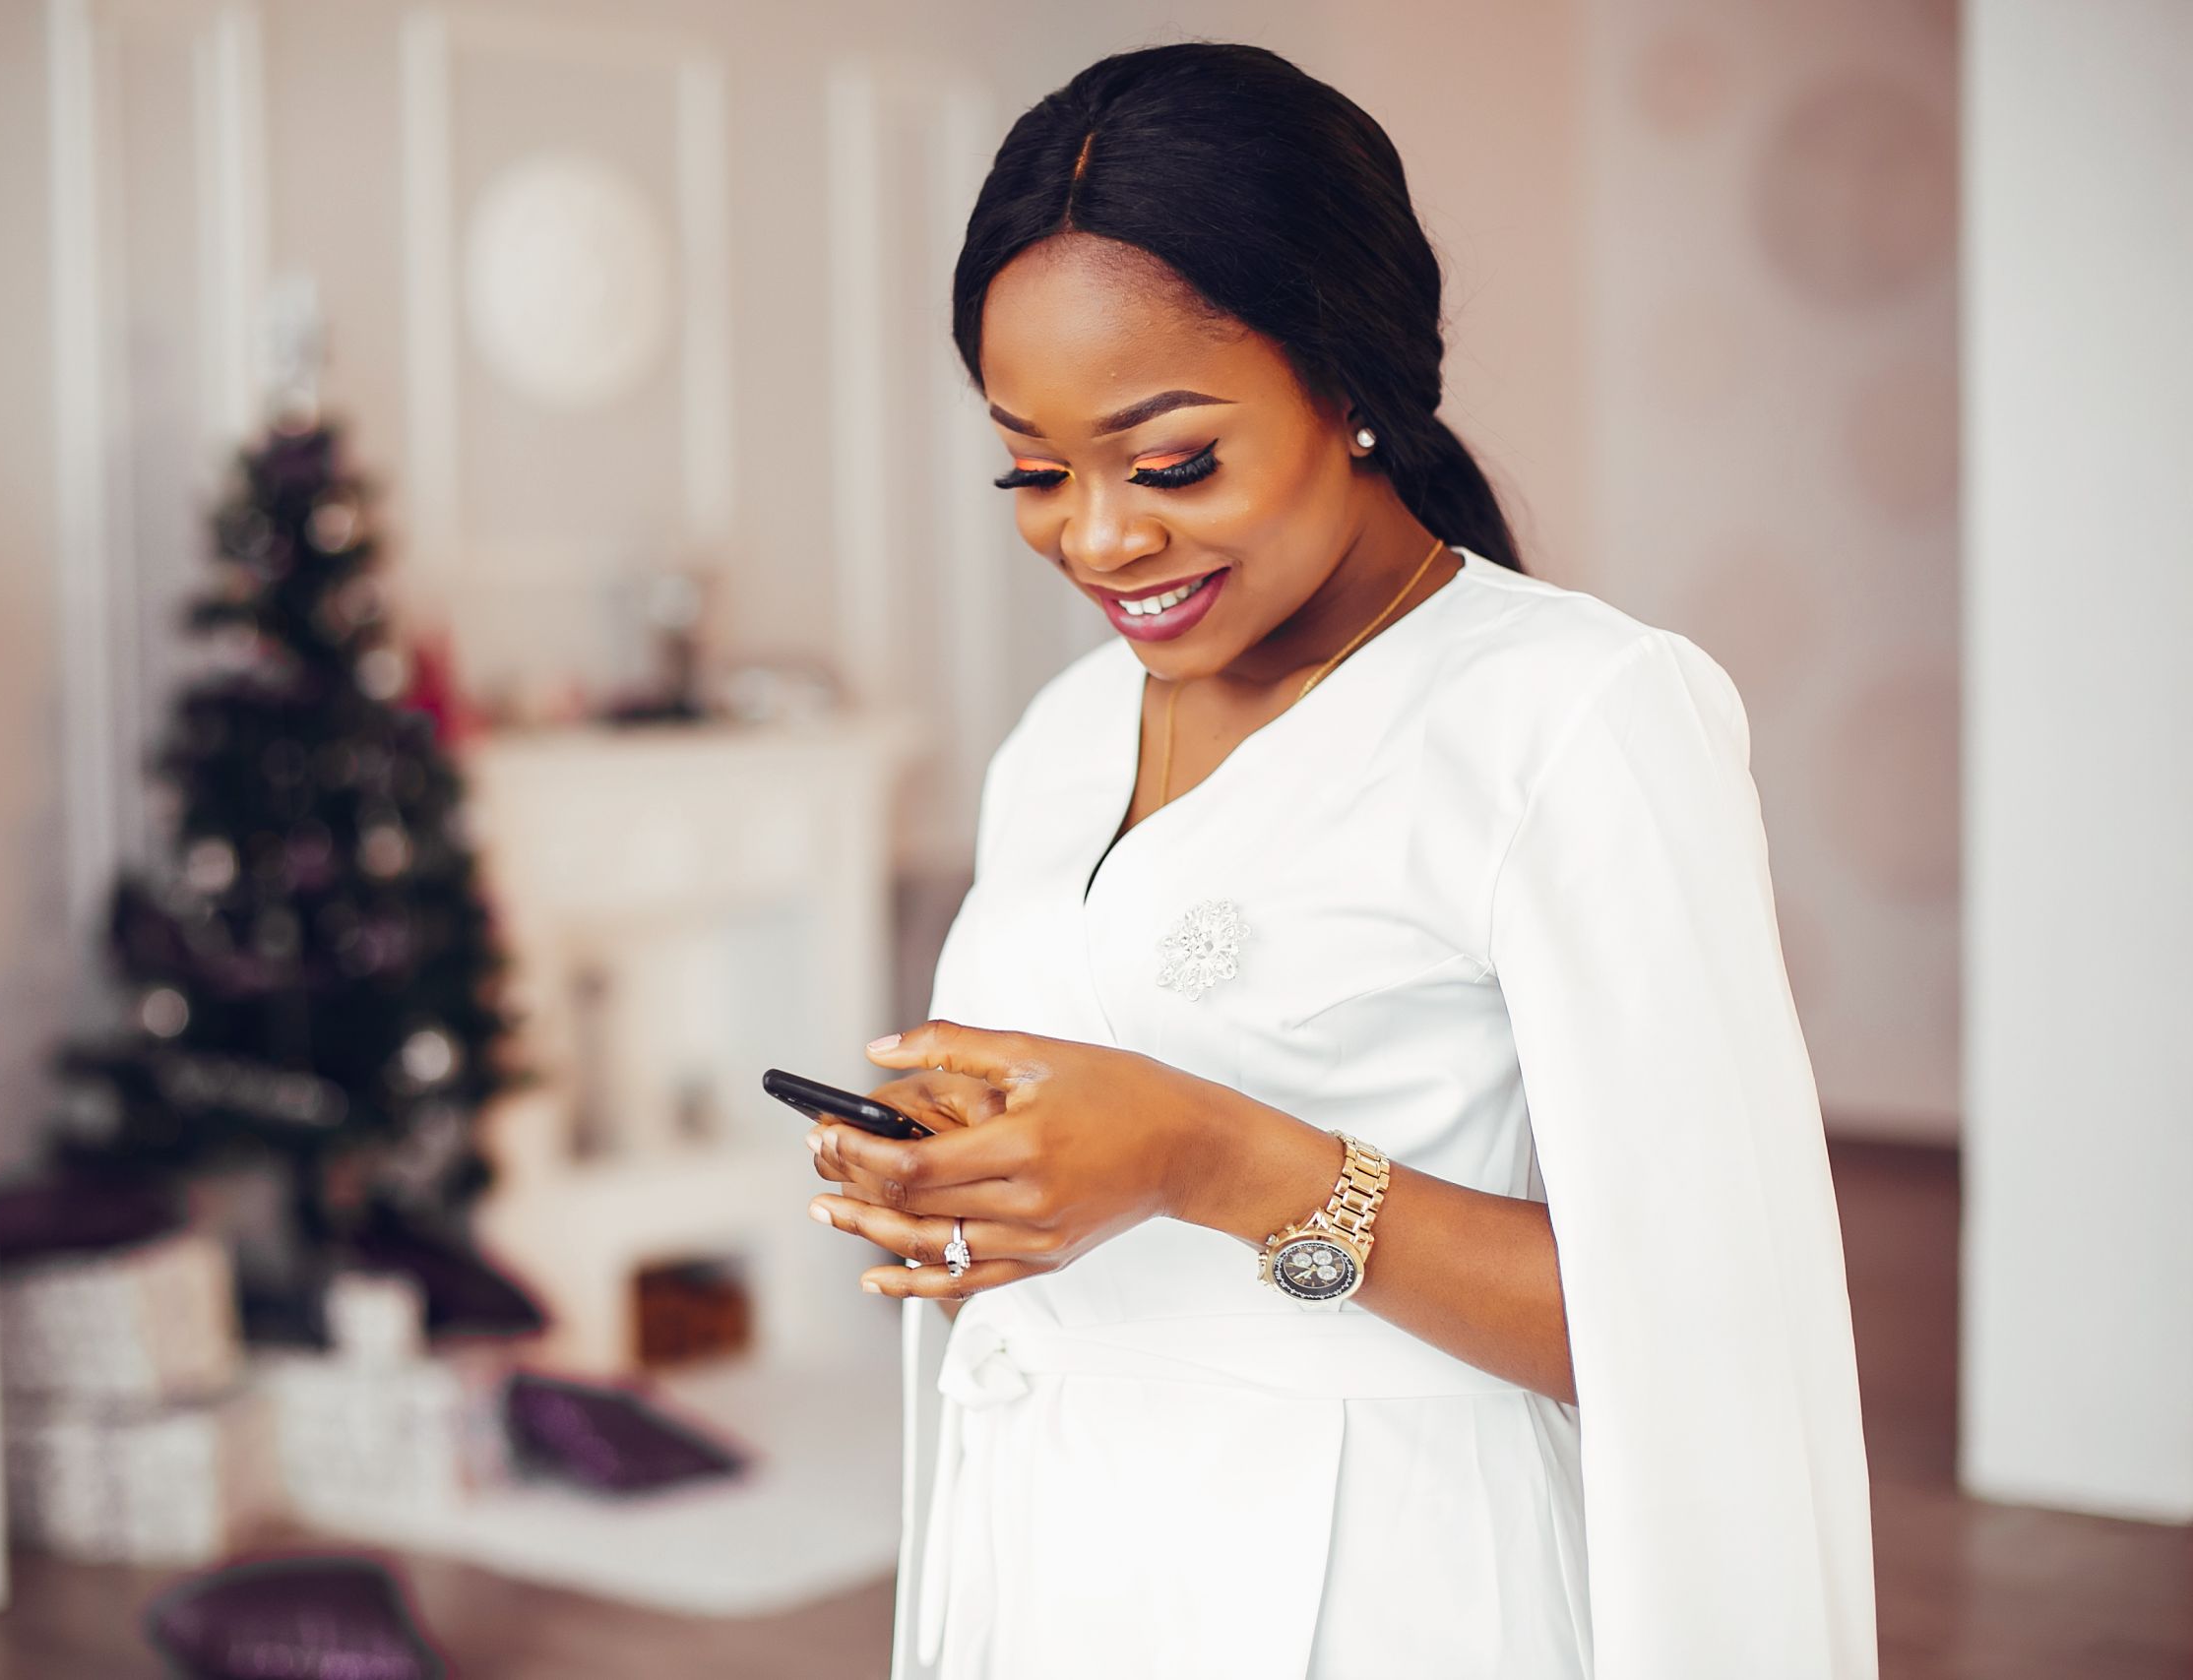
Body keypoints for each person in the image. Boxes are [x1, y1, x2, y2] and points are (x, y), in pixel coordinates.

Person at [799, 40, 1877, 1680]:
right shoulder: (1064, 737)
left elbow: (1705, 1335)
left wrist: (1214, 1161)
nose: (1096, 538)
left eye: (1170, 463)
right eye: (1033, 467)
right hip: (1056, 1562)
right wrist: (969, 1195)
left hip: (1383, 1592)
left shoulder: (1574, 718)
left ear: (1352, 382)